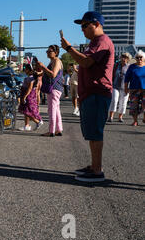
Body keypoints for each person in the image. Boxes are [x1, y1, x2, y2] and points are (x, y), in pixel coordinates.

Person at [61, 11, 115, 183]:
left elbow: (86, 62)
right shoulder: (95, 42)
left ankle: (97, 171)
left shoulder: (102, 41)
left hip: (97, 93)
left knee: (95, 133)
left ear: (97, 24)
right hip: (91, 93)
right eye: (81, 26)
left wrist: (69, 48)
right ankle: (94, 166)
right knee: (92, 133)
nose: (82, 29)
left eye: (85, 25)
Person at [36, 45, 64, 137]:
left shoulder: (56, 61)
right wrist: (39, 72)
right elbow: (47, 73)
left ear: (56, 52)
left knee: (51, 110)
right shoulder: (53, 61)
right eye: (47, 51)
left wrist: (43, 66)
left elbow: (53, 74)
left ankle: (51, 131)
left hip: (54, 88)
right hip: (56, 88)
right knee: (56, 109)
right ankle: (58, 129)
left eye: (49, 51)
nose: (47, 52)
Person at [17, 64, 43, 131]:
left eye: (25, 69)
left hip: (28, 95)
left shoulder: (30, 78)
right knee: (27, 110)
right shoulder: (32, 77)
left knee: (27, 111)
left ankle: (38, 122)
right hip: (31, 95)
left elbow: (30, 88)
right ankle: (27, 125)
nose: (24, 70)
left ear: (29, 70)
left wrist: (24, 97)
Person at [108, 52, 131, 122]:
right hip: (115, 86)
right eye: (123, 57)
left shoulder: (129, 67)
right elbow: (111, 74)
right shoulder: (116, 65)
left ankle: (120, 117)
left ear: (128, 59)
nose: (124, 59)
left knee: (123, 102)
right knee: (114, 100)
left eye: (126, 57)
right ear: (120, 58)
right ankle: (110, 116)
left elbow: (131, 77)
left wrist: (130, 88)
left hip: (125, 87)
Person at [124, 50, 145, 126]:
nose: (139, 59)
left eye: (141, 57)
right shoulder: (132, 67)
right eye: (137, 57)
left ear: (144, 58)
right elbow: (127, 78)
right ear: (135, 58)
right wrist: (126, 88)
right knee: (133, 106)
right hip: (134, 89)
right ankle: (135, 121)